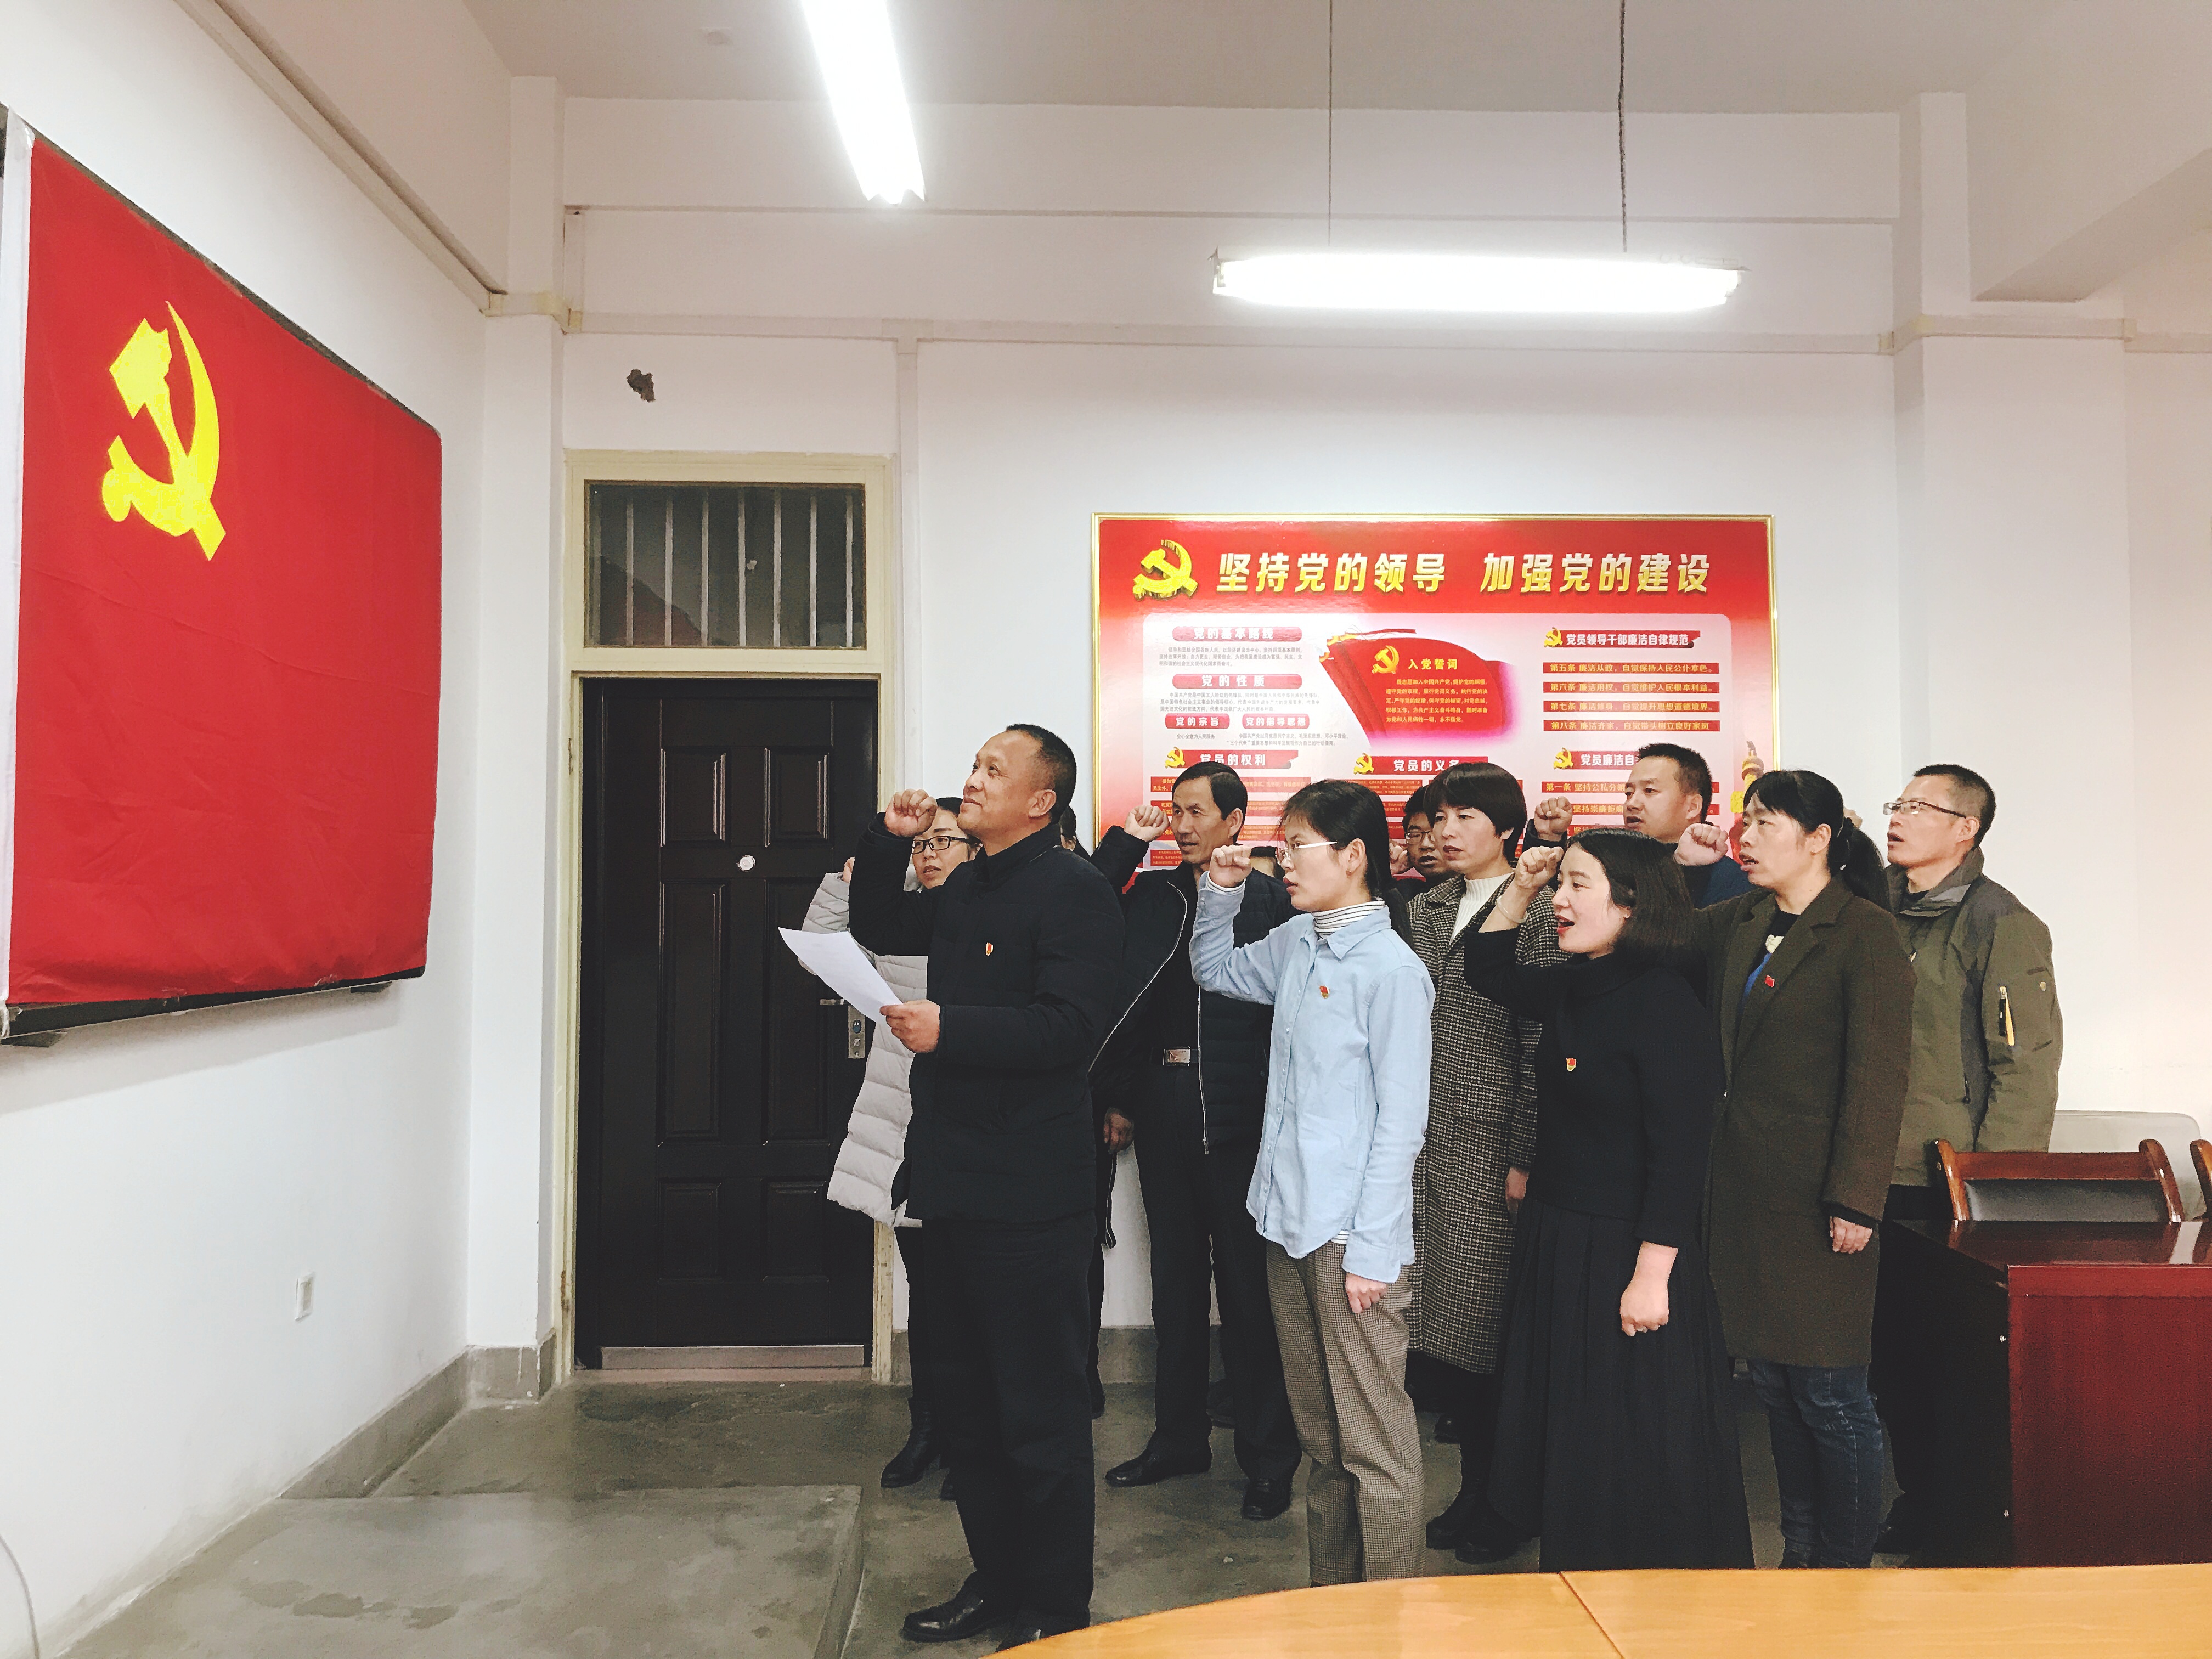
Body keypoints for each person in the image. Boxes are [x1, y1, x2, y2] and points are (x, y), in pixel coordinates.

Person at [848, 726, 1124, 1649]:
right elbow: (883, 927)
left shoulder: (1077, 893)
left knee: (1038, 1416)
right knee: (966, 1408)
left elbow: (1071, 1029)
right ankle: (997, 1581)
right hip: (950, 1183)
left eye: (993, 770)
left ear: (1042, 801)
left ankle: (1054, 1610)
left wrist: (951, 1030)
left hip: (1031, 1198)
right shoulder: (968, 883)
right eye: (974, 764)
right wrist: (889, 840)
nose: (971, 779)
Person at [1468, 832, 1753, 1570]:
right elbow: (1484, 966)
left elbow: (1680, 1157)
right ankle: (1575, 1580)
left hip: (1629, 1248)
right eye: (1560, 884)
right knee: (1571, 1426)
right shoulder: (1576, 983)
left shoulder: (1664, 1004)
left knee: (1627, 1434)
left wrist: (1652, 1277)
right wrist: (1523, 885)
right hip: (1558, 1233)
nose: (1559, 901)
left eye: (1577, 885)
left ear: (1630, 906)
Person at [1191, 780, 1434, 1585]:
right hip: (1285, 1222)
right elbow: (1214, 970)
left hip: (1349, 1240)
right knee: (1324, 1442)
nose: (1284, 861)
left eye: (1299, 846)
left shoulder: (1392, 972)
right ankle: (1335, 1606)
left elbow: (1401, 1125)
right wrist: (1220, 895)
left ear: (1354, 855)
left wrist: (1373, 1252)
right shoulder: (1299, 940)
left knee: (1375, 1446)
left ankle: (1389, 1617)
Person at [1675, 770, 1913, 1570]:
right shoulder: (1743, 918)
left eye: (1765, 824)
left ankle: (1844, 1565)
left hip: (1822, 1200)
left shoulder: (1864, 932)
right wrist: (1686, 866)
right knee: (1776, 1384)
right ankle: (1801, 1554)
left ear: (1818, 840)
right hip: (1748, 1194)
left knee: (1830, 1393)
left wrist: (1857, 1199)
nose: (1745, 838)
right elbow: (1661, 935)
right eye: (1744, 823)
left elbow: (1877, 1079)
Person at [1090, 763, 1301, 1522]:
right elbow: (1105, 954)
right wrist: (1122, 1097)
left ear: (1235, 821)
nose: (1181, 825)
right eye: (1175, 811)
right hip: (1163, 1100)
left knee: (1249, 1294)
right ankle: (1178, 1439)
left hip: (1245, 1113)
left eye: (1196, 812)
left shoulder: (1275, 900)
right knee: (1174, 1287)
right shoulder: (1156, 894)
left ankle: (1269, 1458)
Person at [1869, 764, 2061, 1559]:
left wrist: (1991, 1189)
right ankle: (1919, 1499)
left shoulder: (2000, 923)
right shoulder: (1870, 908)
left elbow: (2026, 1066)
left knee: (1947, 1361)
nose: (1899, 816)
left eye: (1920, 806)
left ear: (1965, 829)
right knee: (1888, 1362)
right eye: (1898, 802)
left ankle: (1958, 1516)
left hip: (1943, 1182)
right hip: (1866, 1171)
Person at [1403, 762, 1563, 1562]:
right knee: (1449, 1335)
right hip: (1426, 1138)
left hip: (1492, 1143)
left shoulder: (1540, 911)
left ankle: (1508, 1501)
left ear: (1508, 828)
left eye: (1465, 816)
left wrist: (1525, 1154)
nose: (1446, 831)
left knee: (1493, 1333)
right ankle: (1477, 1489)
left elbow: (1541, 1046)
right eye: (1439, 818)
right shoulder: (1425, 907)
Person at [805, 798, 976, 1496]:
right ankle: (928, 1428)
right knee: (927, 1293)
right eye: (921, 844)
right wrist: (851, 881)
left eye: (946, 842)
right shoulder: (897, 916)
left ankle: (972, 1440)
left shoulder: (995, 920)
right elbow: (822, 946)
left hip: (969, 1129)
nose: (929, 854)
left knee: (973, 1297)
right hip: (900, 1125)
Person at [1054, 803, 1133, 1423]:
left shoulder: (1096, 898)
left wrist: (1119, 1100)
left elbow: (1122, 1009)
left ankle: (1083, 1374)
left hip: (1087, 1102)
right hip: (1025, 1106)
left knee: (1079, 1247)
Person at [1529, 743, 1751, 906]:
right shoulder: (1612, 867)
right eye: (1629, 793)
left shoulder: (1730, 883)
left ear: (1692, 807)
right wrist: (1548, 839)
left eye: (1649, 791)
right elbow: (1552, 910)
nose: (1632, 803)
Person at [1396, 783, 1442, 891]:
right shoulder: (1405, 895)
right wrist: (1389, 870)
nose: (1425, 845)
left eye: (1435, 834)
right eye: (1415, 835)